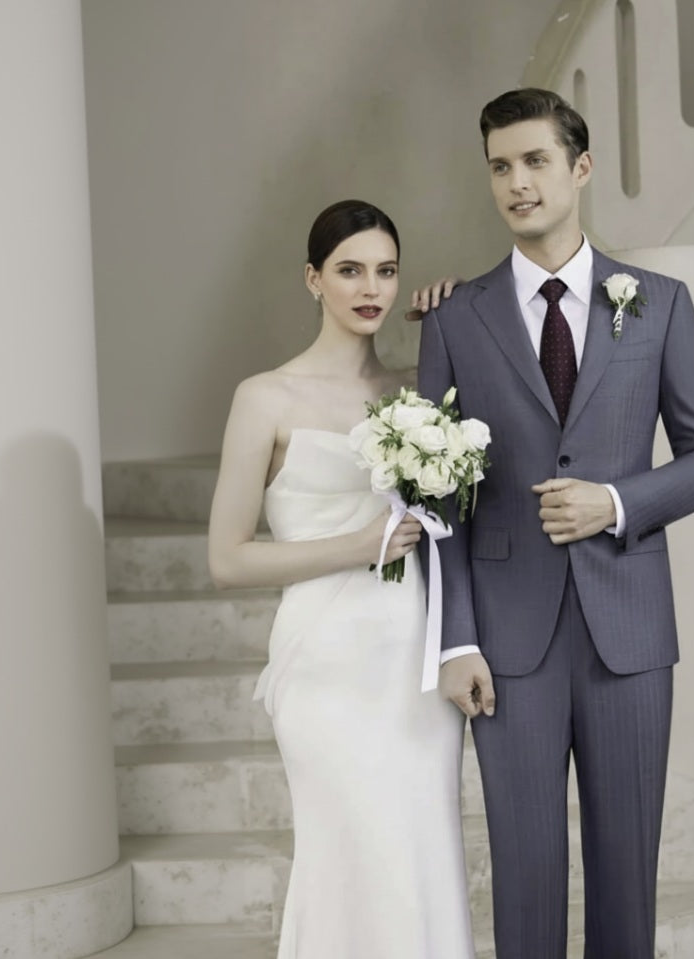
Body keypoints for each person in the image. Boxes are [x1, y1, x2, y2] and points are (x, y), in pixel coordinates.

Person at [415, 88, 694, 958]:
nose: (517, 182)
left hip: (629, 632)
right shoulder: (453, 317)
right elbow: (437, 497)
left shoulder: (659, 302)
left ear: (580, 167)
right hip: (504, 643)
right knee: (523, 881)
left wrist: (616, 501)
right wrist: (455, 639)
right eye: (500, 167)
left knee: (627, 880)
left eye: (535, 160)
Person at [207, 199, 476, 959]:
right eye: (349, 270)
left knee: (419, 851)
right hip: (325, 661)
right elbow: (227, 559)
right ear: (312, 279)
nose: (371, 288)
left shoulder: (418, 391)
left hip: (413, 657)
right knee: (348, 854)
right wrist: (358, 545)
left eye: (386, 271)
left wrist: (465, 312)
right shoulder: (264, 397)